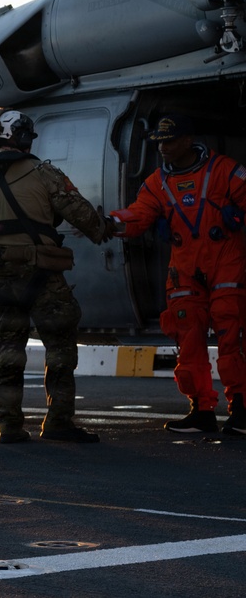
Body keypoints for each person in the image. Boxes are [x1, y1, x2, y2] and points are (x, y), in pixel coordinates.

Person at [0, 108, 114, 444]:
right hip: (42, 278)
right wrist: (105, 229)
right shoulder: (45, 174)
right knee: (59, 349)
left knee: (8, 352)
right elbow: (83, 214)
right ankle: (58, 421)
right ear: (23, 137)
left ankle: (9, 426)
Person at [110, 114, 246, 435]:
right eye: (159, 142)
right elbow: (139, 214)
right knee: (188, 338)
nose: (163, 148)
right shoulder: (157, 183)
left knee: (231, 333)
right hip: (184, 269)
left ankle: (241, 408)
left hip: (226, 262)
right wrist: (111, 223)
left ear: (188, 140)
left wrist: (238, 215)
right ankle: (201, 410)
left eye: (169, 141)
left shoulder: (225, 170)